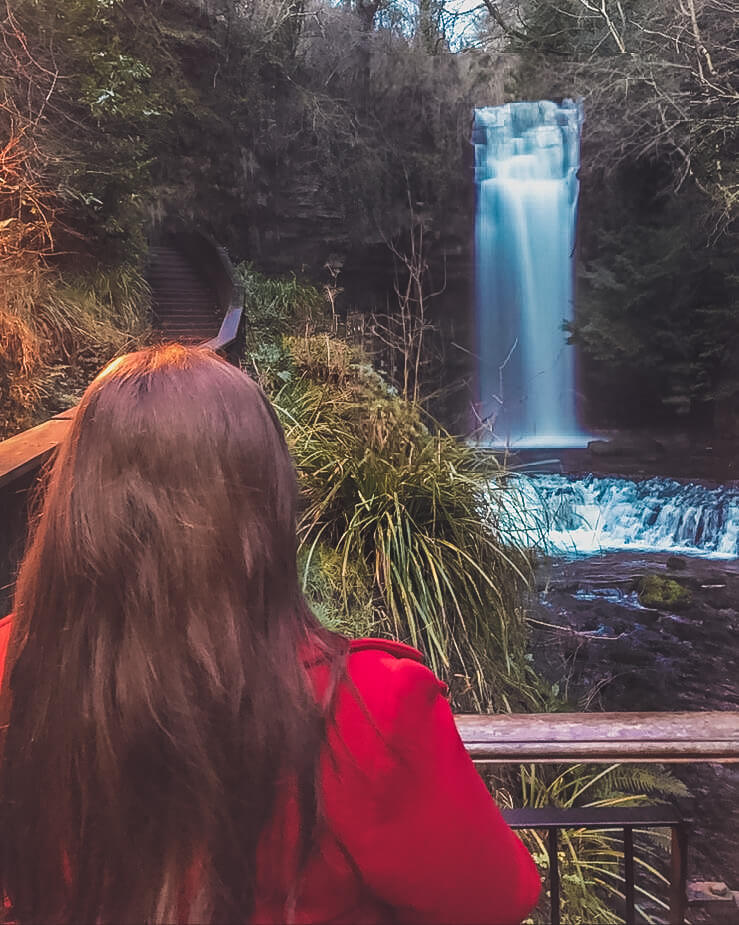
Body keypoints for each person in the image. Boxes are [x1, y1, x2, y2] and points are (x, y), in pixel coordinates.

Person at [0, 344, 540, 924]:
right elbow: (496, 897)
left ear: (75, 501)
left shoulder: (15, 665)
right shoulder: (372, 707)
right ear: (268, 503)